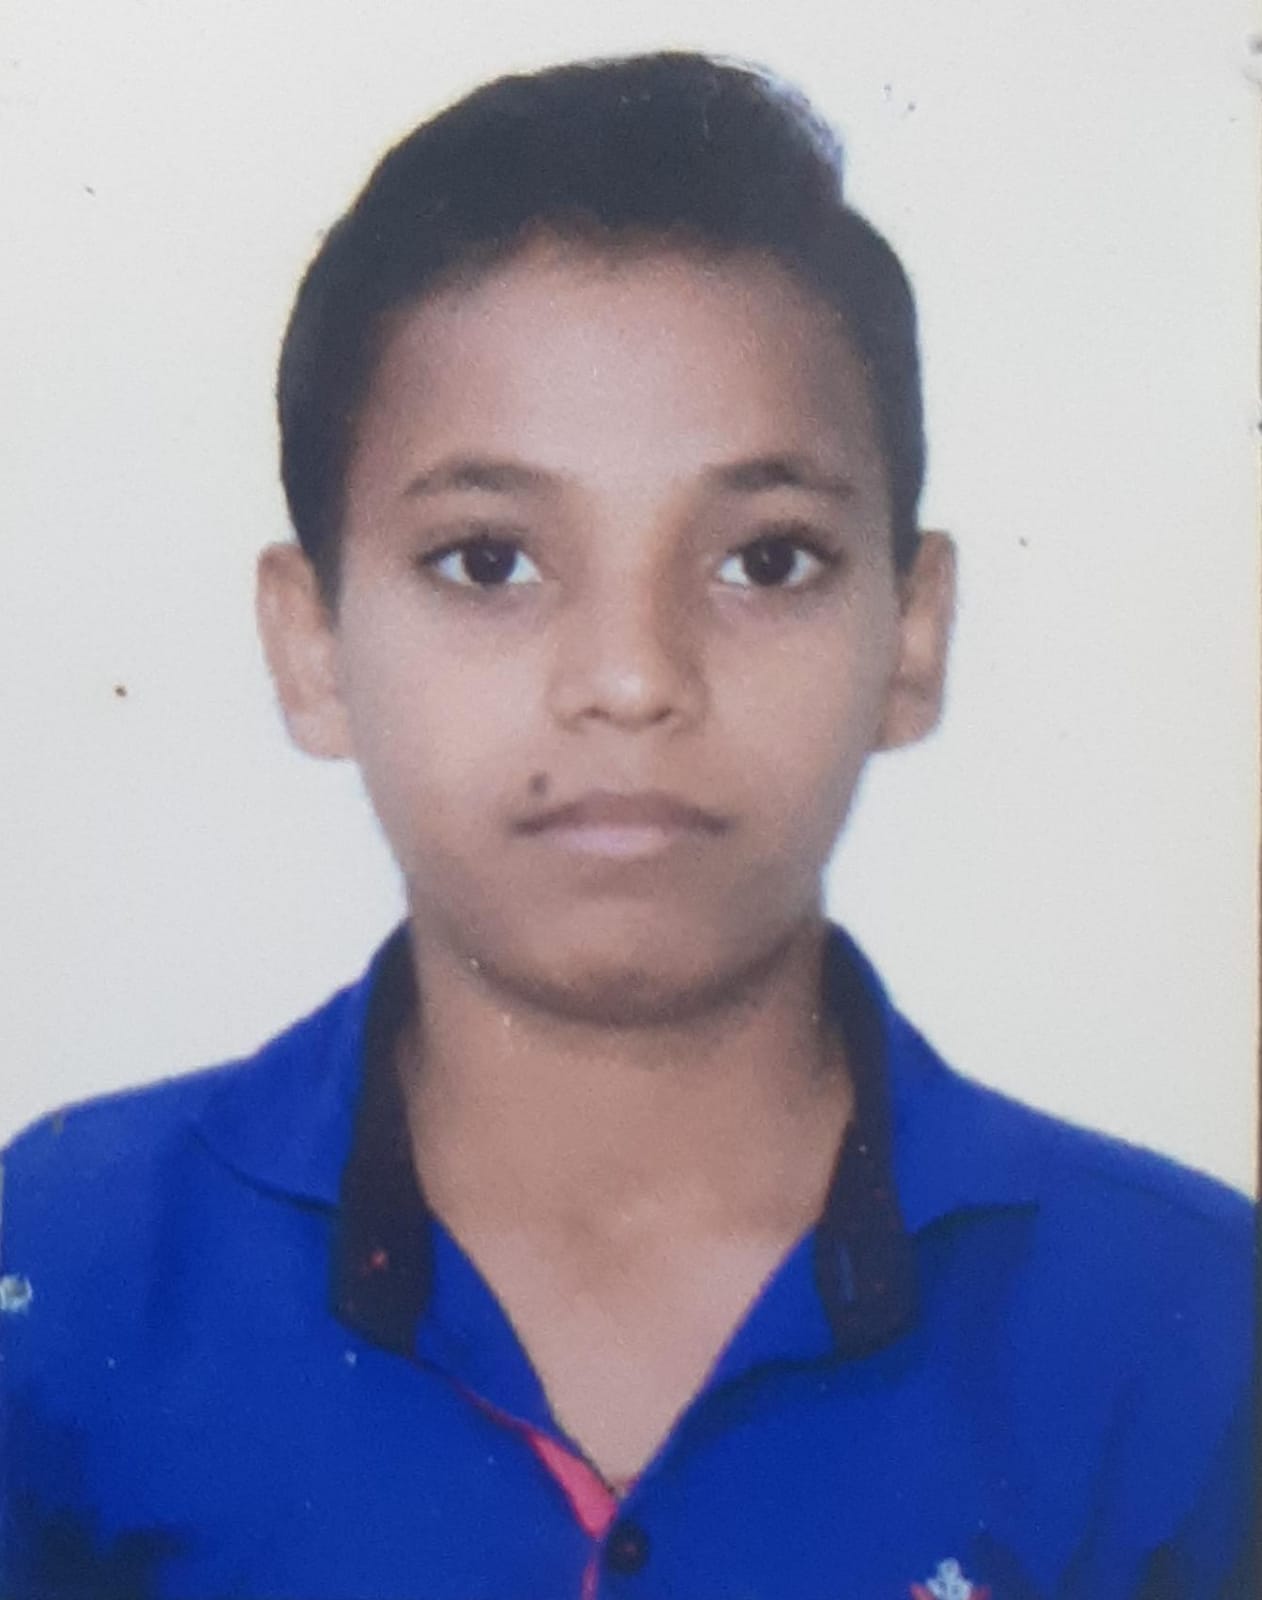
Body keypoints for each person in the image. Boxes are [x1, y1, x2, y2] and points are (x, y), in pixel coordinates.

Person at [0, 50, 1254, 1600]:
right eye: (486, 562)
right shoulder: (66, 1272)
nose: (632, 678)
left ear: (911, 636)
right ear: (309, 643)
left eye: (765, 561)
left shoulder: (1185, 1332)